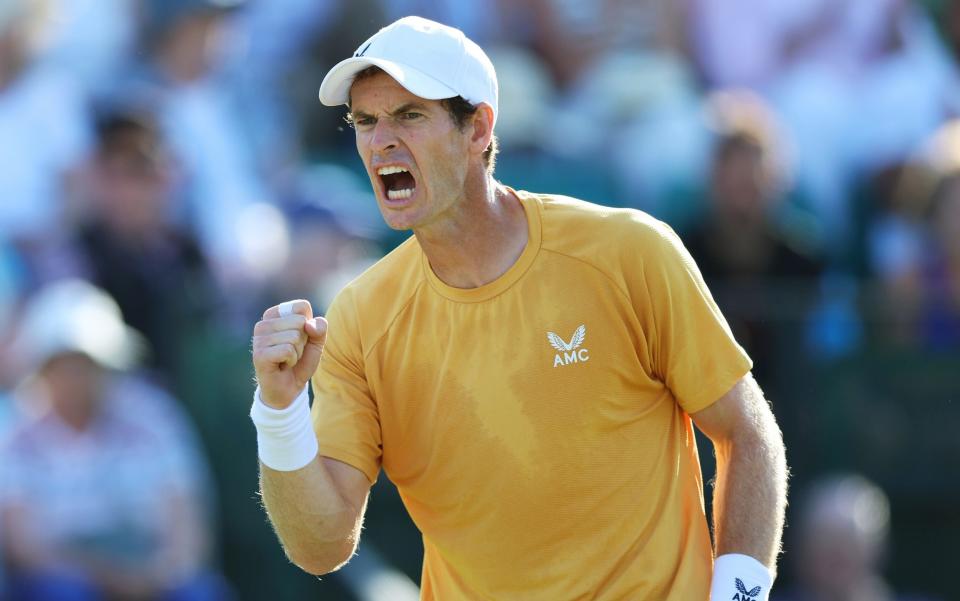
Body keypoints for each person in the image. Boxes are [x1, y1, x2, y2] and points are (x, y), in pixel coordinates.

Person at [249, 16, 788, 600]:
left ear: (478, 128)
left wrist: (740, 594)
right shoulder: (357, 317)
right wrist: (280, 412)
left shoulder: (631, 252)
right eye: (365, 121)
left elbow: (747, 435)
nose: (380, 142)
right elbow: (320, 547)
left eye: (409, 116)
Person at [0, 280, 226, 601]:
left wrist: (159, 574)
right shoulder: (15, 428)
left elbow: (187, 519)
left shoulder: (154, 415)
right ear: (43, 368)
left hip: (150, 569)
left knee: (198, 592)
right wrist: (105, 575)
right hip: (64, 578)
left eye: (88, 364)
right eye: (65, 365)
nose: (77, 377)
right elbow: (23, 544)